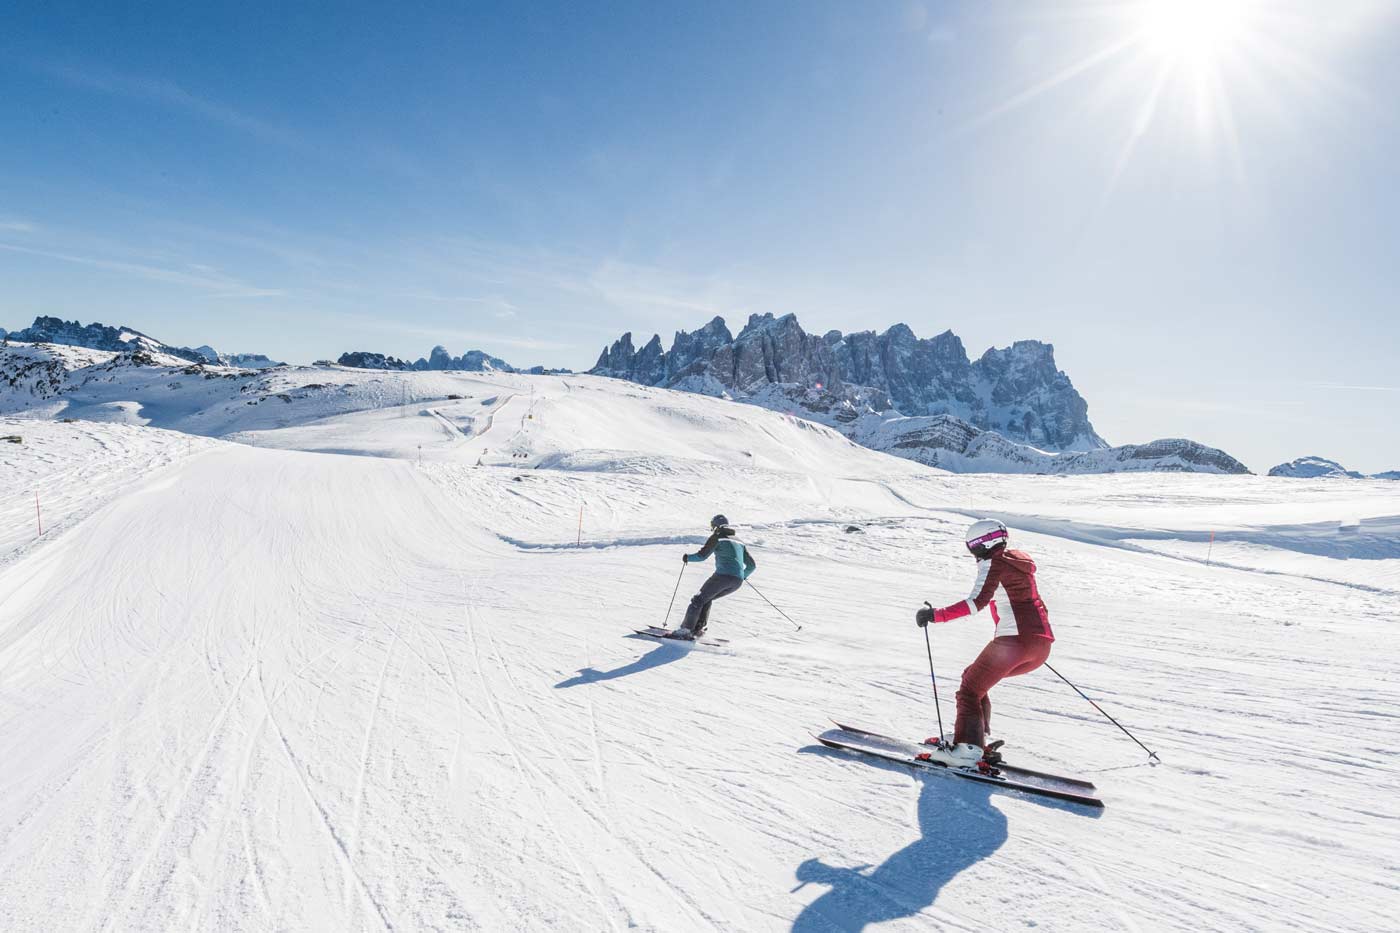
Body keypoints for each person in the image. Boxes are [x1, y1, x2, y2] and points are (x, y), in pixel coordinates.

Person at [914, 519, 1053, 767]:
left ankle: (968, 750)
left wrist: (935, 615)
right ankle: (973, 739)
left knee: (969, 689)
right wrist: (1032, 640)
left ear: (982, 544)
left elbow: (975, 602)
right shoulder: (1019, 563)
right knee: (974, 679)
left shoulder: (994, 562)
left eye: (972, 547)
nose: (972, 554)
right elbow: (1029, 603)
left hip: (1015, 642)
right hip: (1039, 644)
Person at [675, 514, 757, 639]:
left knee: (698, 600)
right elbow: (751, 566)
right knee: (706, 599)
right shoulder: (739, 541)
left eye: (712, 526)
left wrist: (688, 558)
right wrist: (741, 576)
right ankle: (698, 629)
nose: (712, 529)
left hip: (722, 577)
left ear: (716, 527)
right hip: (737, 582)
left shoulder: (718, 537)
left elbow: (702, 556)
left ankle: (686, 630)